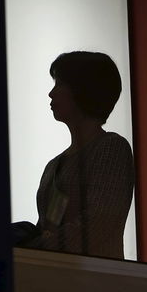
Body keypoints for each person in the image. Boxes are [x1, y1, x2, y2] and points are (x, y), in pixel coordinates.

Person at [14, 51, 135, 258]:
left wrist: (33, 249)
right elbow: (50, 226)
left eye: (59, 84)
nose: (51, 93)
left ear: (84, 89)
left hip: (95, 283)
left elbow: (97, 224)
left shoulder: (112, 147)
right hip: (54, 280)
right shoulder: (54, 165)